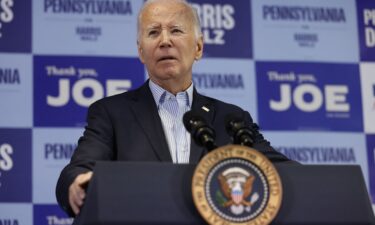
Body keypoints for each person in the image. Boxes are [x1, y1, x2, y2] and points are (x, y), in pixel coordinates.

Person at [56, 0, 292, 217]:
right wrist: (77, 183)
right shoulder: (111, 113)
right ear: (141, 51)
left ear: (198, 48)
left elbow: (287, 174)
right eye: (153, 32)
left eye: (176, 30)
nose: (165, 40)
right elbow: (78, 170)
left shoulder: (232, 119)